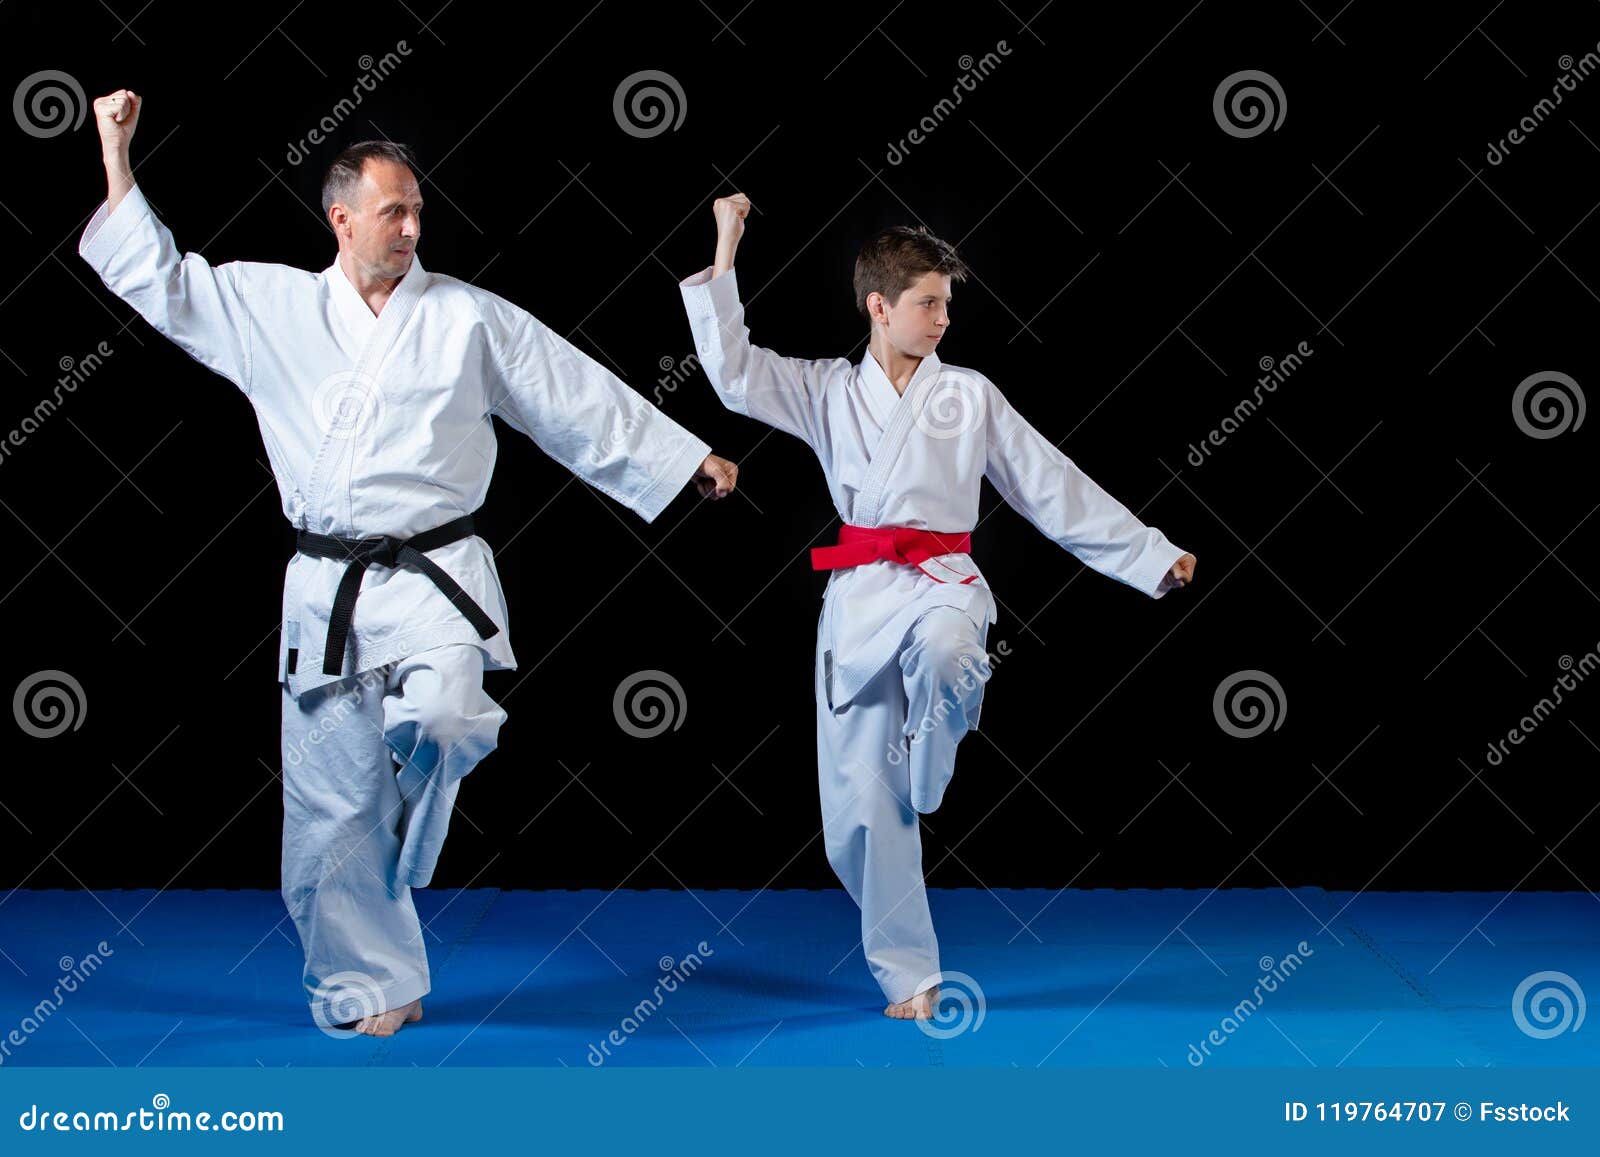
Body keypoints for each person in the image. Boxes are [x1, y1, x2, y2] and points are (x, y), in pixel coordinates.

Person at [81, 90, 739, 1037]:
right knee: (330, 810)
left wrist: (683, 458)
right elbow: (162, 281)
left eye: (419, 210)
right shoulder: (272, 307)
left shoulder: (466, 317)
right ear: (341, 218)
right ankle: (374, 984)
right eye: (394, 211)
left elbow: (570, 394)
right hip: (327, 590)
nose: (412, 226)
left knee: (441, 713)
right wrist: (116, 149)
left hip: (437, 580)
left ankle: (418, 823)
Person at [679, 193, 1195, 1019]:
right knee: (858, 811)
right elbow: (735, 371)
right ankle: (911, 975)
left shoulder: (970, 396)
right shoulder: (822, 391)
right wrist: (727, 244)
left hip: (943, 584)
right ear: (879, 308)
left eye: (948, 304)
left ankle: (936, 744)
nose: (944, 318)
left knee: (955, 654)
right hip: (859, 600)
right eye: (928, 303)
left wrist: (1148, 553)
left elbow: (1046, 483)